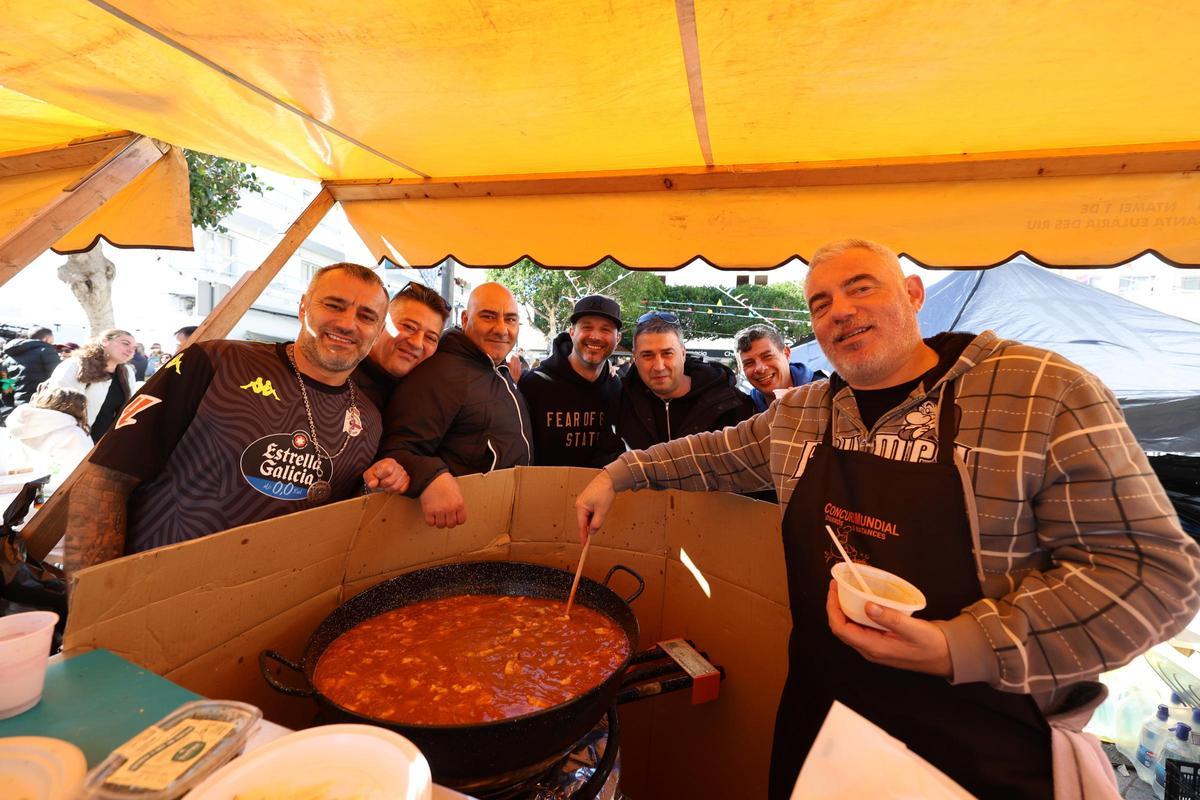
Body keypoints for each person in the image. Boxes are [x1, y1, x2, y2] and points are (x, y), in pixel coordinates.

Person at [576, 239, 1200, 799]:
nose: (838, 309)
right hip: (825, 713)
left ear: (913, 293)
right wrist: (618, 475)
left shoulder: (1038, 390)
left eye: (860, 286)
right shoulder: (804, 412)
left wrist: (960, 644)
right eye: (820, 303)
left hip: (979, 738)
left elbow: (1152, 578)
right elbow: (712, 454)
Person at [65, 263, 410, 573]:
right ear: (304, 306)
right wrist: (91, 610)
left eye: (366, 316)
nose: (348, 323)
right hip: (152, 592)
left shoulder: (369, 420)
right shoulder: (214, 362)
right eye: (334, 305)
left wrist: (376, 484)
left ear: (378, 331)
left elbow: (333, 520)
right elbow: (105, 480)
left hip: (269, 611)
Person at [379, 282, 532, 529]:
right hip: (455, 531)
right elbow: (397, 449)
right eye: (489, 316)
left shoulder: (496, 369)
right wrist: (431, 476)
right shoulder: (439, 372)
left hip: (499, 523)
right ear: (465, 318)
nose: (502, 329)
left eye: (511, 319)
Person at [616, 311, 754, 450]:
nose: (659, 366)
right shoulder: (621, 399)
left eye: (668, 353)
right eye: (647, 355)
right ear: (635, 358)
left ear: (683, 354)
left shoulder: (732, 404)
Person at [518, 294, 625, 468]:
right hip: (543, 491)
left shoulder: (617, 387)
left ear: (618, 338)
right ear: (572, 332)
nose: (595, 336)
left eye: (605, 329)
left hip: (601, 492)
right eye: (587, 327)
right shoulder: (534, 384)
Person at [352, 281, 451, 411]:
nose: (416, 343)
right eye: (409, 327)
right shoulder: (338, 376)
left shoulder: (426, 394)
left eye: (430, 338)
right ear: (381, 323)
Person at [44, 329, 137, 443]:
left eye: (134, 348)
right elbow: (57, 407)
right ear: (105, 341)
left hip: (105, 444)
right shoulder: (75, 365)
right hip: (71, 442)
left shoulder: (127, 373)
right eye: (125, 343)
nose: (130, 350)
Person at [4, 388, 93, 493]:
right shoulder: (74, 433)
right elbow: (82, 473)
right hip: (55, 497)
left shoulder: (20, 423)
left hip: (11, 493)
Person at [734, 323, 818, 412]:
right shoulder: (745, 411)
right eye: (749, 363)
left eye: (767, 356)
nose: (760, 369)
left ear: (786, 354)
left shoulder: (825, 394)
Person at [2, 326, 59, 406]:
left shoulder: (8, 358)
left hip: (19, 407)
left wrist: (11, 405)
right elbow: (58, 379)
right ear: (47, 339)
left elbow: (6, 386)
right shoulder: (47, 352)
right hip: (43, 404)